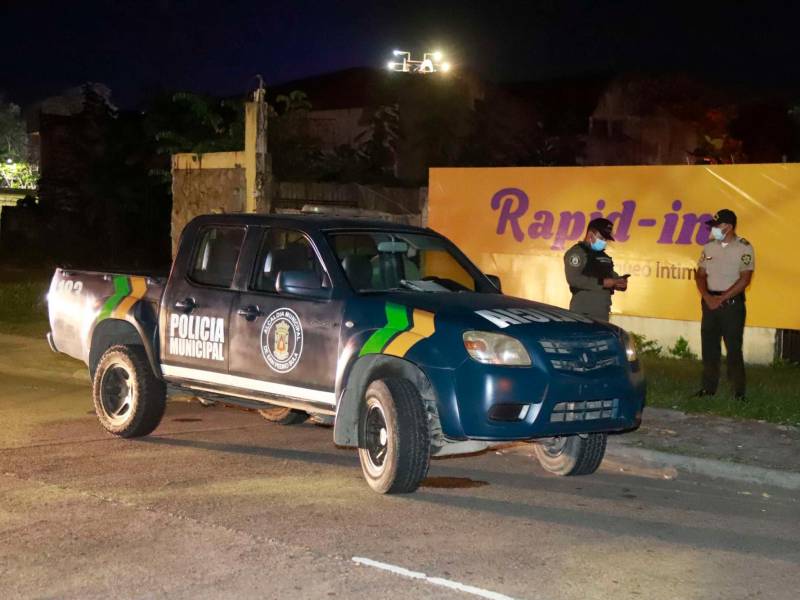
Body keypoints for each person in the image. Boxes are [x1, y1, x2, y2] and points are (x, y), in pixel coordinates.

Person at [694, 209, 754, 401]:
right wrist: (707, 296)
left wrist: (722, 298)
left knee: (734, 349)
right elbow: (700, 274)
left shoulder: (744, 247)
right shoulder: (709, 247)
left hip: (732, 305)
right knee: (709, 346)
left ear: (728, 227)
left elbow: (745, 279)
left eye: (717, 226)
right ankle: (708, 388)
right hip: (709, 303)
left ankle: (738, 392)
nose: (713, 229)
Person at [564, 218, 628, 321]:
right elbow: (574, 279)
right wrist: (602, 283)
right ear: (590, 235)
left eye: (605, 239)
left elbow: (610, 275)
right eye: (601, 238)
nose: (604, 242)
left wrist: (619, 282)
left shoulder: (604, 257)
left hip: (602, 311)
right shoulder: (577, 253)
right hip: (584, 312)